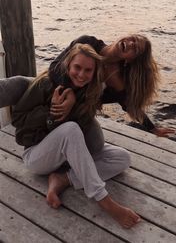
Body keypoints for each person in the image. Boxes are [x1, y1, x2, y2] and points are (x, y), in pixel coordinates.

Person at [11, 43, 141, 229]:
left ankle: (63, 179)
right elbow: (18, 121)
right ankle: (104, 201)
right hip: (37, 154)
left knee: (122, 158)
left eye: (88, 70)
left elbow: (120, 97)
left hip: (65, 159)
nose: (81, 74)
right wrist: (51, 112)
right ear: (68, 65)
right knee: (70, 129)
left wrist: (74, 102)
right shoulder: (46, 84)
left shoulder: (90, 92)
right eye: (77, 67)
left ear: (94, 73)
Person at [49, 34, 175, 137]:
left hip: (80, 116)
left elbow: (129, 105)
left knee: (97, 146)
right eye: (133, 39)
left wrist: (152, 129)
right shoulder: (88, 43)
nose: (131, 44)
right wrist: (70, 92)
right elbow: (53, 69)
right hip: (52, 101)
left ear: (131, 60)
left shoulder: (116, 80)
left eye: (135, 49)